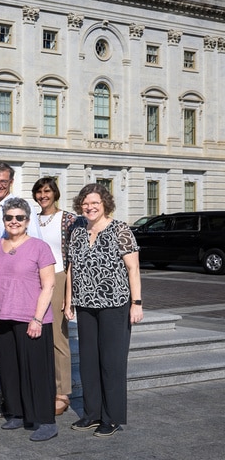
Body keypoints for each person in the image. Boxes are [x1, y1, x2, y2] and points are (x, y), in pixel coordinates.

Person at [64, 183, 142, 438]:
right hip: (86, 305)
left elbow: (133, 268)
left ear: (105, 203)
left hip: (115, 305)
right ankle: (92, 413)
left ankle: (112, 417)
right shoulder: (77, 231)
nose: (90, 207)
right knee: (88, 362)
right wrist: (68, 301)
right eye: (86, 203)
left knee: (112, 362)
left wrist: (136, 303)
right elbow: (71, 269)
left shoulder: (120, 230)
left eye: (95, 202)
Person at [0, 197, 57, 442]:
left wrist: (37, 318)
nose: (14, 221)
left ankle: (46, 420)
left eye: (19, 217)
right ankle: (16, 413)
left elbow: (48, 285)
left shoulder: (39, 247)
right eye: (9, 217)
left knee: (36, 370)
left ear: (28, 221)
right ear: (4, 220)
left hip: (31, 317)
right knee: (9, 368)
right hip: (3, 315)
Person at [31, 177, 77, 416]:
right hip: (34, 279)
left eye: (47, 191)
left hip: (58, 277)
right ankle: (42, 385)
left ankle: (62, 392)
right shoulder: (31, 218)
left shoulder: (68, 219)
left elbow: (73, 259)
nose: (43, 196)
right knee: (36, 333)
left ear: (55, 193)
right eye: (39, 192)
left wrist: (69, 296)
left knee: (58, 335)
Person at [0, 162, 40, 258]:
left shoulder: (25, 207)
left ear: (11, 182)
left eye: (3, 181)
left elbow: (36, 241)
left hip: (15, 266)